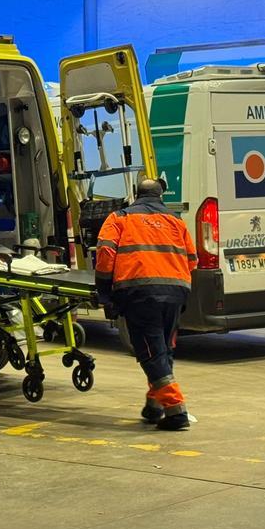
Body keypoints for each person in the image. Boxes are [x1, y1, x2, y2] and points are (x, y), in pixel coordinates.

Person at [95, 178, 196, 431]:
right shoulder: (177, 221)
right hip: (175, 293)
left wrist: (105, 293)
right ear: (161, 196)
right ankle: (155, 406)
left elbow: (105, 254)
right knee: (163, 349)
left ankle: (176, 410)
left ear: (135, 194)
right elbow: (192, 260)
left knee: (151, 353)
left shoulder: (119, 218)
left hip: (140, 293)